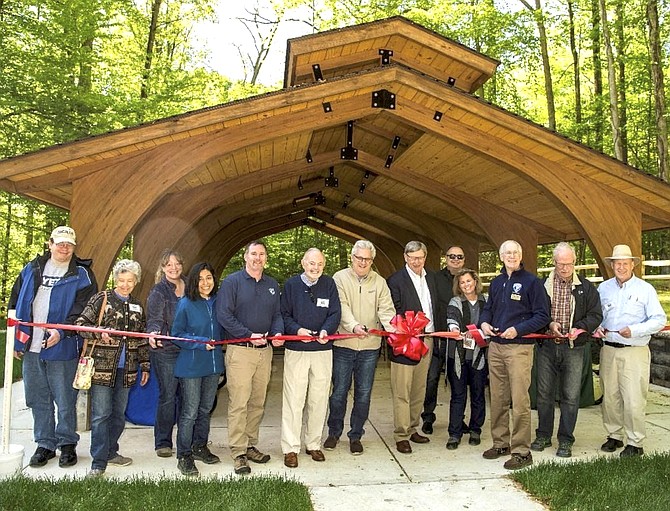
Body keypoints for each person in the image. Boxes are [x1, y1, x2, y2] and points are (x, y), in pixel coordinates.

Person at [10, 226, 97, 469]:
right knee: (38, 398)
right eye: (59, 243)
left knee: (65, 398)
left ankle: (67, 443)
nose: (63, 247)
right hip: (32, 346)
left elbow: (85, 309)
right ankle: (45, 444)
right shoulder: (31, 268)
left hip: (64, 346)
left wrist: (62, 330)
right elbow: (15, 302)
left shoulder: (83, 274)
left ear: (74, 247)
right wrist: (18, 339)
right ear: (50, 244)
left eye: (68, 243)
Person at [75, 259, 150, 477]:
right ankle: (98, 463)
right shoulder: (101, 298)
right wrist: (99, 332)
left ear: (135, 281)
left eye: (130, 280)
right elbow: (80, 325)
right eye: (121, 280)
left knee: (118, 414)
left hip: (127, 369)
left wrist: (145, 365)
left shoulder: (137, 306)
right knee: (101, 415)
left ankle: (111, 451)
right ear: (115, 279)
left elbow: (142, 338)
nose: (125, 284)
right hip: (101, 369)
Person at [480, 240, 550, 470]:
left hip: (519, 347)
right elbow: (488, 308)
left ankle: (521, 450)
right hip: (496, 347)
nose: (511, 256)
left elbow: (542, 316)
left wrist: (518, 329)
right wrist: (484, 322)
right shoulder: (497, 282)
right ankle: (501, 443)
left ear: (521, 255)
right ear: (501, 256)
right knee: (498, 398)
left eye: (515, 252)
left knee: (520, 401)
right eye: (507, 253)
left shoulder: (532, 282)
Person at [216, 240, 284, 475]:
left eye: (261, 254)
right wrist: (247, 334)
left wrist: (276, 333)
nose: (257, 258)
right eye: (253, 254)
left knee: (257, 401)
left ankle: (250, 444)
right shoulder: (233, 282)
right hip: (241, 351)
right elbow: (223, 314)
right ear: (245, 257)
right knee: (239, 402)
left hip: (265, 353)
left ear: (266, 258)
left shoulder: (272, 284)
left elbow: (277, 314)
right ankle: (238, 452)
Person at [531, 242, 602, 458]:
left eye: (569, 264)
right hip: (547, 347)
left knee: (571, 396)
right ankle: (543, 435)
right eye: (561, 264)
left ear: (574, 263)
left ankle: (566, 439)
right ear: (554, 262)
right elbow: (534, 313)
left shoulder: (587, 288)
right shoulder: (541, 286)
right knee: (544, 395)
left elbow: (596, 315)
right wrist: (549, 325)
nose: (564, 268)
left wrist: (580, 328)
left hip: (574, 348)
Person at [325, 240, 395, 455]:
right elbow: (341, 306)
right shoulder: (339, 278)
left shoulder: (380, 282)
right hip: (343, 344)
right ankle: (334, 432)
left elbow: (386, 308)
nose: (363, 262)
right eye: (359, 258)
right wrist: (353, 326)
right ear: (352, 258)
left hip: (370, 347)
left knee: (363, 394)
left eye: (367, 259)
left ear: (372, 261)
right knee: (339, 392)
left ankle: (356, 435)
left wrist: (394, 328)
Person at [596, 244, 666, 457]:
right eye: (617, 263)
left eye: (625, 263)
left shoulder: (645, 290)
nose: (621, 267)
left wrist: (634, 330)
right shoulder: (603, 288)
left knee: (634, 397)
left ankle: (635, 441)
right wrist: (596, 327)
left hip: (634, 351)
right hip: (608, 349)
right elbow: (596, 315)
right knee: (610, 396)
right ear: (612, 265)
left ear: (632, 264)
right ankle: (614, 435)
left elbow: (660, 320)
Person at [280, 248, 341, 468]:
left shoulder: (329, 284)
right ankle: (290, 448)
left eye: (320, 264)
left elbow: (335, 312)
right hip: (297, 350)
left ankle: (313, 443)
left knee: (319, 398)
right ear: (303, 263)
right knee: (294, 400)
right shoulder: (291, 285)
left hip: (323, 351)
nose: (315, 268)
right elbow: (283, 314)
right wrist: (297, 331)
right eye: (311, 263)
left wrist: (326, 330)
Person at [171, 262, 224, 476]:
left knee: (205, 409)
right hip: (191, 366)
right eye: (201, 279)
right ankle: (184, 455)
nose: (205, 283)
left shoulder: (219, 303)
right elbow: (177, 334)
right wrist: (200, 342)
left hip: (213, 365)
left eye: (209, 278)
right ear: (194, 281)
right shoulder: (186, 303)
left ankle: (200, 446)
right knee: (190, 412)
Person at [386, 241, 436, 454]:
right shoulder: (395, 280)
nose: (417, 261)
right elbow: (393, 311)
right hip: (405, 341)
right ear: (405, 257)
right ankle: (401, 434)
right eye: (413, 257)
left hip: (428, 339)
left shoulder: (431, 278)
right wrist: (406, 330)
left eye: (420, 257)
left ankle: (413, 427)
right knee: (402, 389)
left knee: (419, 388)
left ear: (425, 257)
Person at [146, 249, 186, 457]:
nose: (173, 268)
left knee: (188, 397)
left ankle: (186, 440)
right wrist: (153, 333)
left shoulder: (190, 286)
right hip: (166, 351)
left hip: (189, 351)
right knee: (168, 396)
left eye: (177, 263)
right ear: (162, 268)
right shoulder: (158, 292)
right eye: (168, 264)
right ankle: (163, 441)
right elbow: (154, 319)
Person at [422, 245, 465, 434]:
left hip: (460, 340)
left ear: (464, 259)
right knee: (431, 379)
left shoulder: (467, 279)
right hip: (438, 337)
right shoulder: (434, 278)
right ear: (445, 258)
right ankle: (428, 417)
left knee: (458, 381)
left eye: (459, 256)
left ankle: (458, 419)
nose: (455, 259)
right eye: (452, 256)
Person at [445, 268, 488, 449]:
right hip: (458, 356)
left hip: (479, 356)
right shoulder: (455, 301)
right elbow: (452, 319)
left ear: (475, 282)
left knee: (478, 394)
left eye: (469, 281)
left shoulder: (486, 301)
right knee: (458, 396)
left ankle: (475, 429)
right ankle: (454, 434)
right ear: (459, 286)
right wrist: (455, 330)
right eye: (462, 282)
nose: (466, 285)